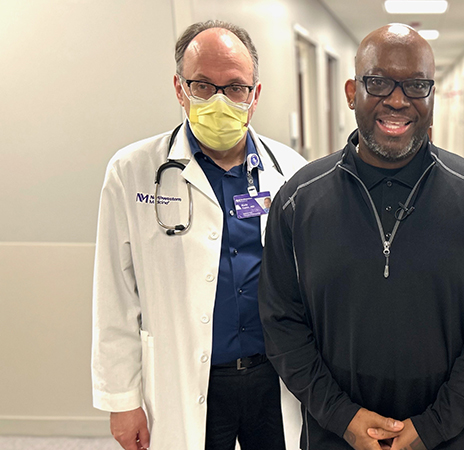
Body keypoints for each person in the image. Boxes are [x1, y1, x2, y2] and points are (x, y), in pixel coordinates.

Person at [257, 24, 464, 450]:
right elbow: (281, 323)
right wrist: (343, 418)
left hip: (448, 438)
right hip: (333, 436)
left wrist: (433, 426)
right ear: (351, 92)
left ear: (432, 96)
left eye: (416, 85)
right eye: (378, 82)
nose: (398, 100)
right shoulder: (298, 202)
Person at [91, 20, 306, 450]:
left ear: (255, 95)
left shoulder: (291, 171)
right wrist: (122, 400)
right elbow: (115, 293)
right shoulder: (132, 171)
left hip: (274, 378)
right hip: (187, 380)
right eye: (203, 86)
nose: (219, 101)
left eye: (236, 87)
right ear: (180, 88)